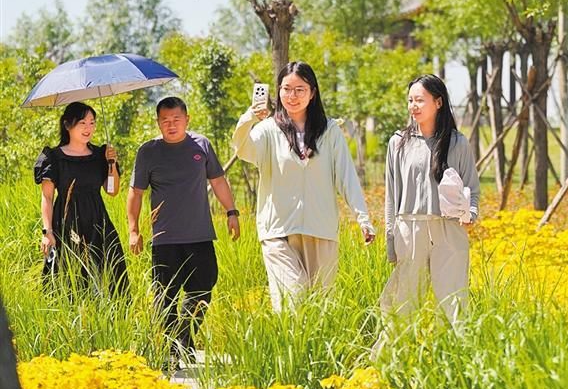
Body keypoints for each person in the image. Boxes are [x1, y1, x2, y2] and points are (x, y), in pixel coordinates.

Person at [233, 61, 375, 310]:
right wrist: (249, 118)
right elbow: (244, 149)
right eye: (286, 89)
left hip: (320, 229)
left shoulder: (330, 131)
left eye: (300, 89)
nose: (292, 96)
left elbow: (346, 177)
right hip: (278, 230)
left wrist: (363, 218)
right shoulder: (268, 130)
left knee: (320, 304)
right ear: (278, 91)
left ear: (312, 93)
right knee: (292, 298)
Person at [127, 96, 240, 366]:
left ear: (187, 119)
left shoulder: (201, 145)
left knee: (203, 287)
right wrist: (133, 229)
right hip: (164, 239)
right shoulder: (148, 151)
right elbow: (136, 193)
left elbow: (218, 180)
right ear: (158, 122)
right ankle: (171, 349)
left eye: (176, 119)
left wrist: (232, 212)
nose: (171, 124)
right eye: (165, 120)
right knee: (165, 295)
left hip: (200, 235)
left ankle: (183, 338)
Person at [381, 73, 480, 332]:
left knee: (454, 302)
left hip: (448, 230)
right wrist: (390, 239)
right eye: (410, 100)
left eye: (420, 100)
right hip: (410, 230)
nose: (413, 106)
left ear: (438, 102)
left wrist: (470, 213)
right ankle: (394, 352)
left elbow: (472, 187)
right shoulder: (398, 143)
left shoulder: (457, 142)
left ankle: (457, 352)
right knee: (403, 304)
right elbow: (391, 197)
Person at [34, 101, 128, 292]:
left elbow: (112, 191)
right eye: (82, 123)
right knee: (67, 275)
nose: (88, 128)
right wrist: (47, 232)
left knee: (109, 273)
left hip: (97, 220)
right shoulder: (54, 157)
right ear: (67, 125)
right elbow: (47, 197)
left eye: (92, 123)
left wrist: (111, 164)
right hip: (65, 221)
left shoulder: (100, 154)